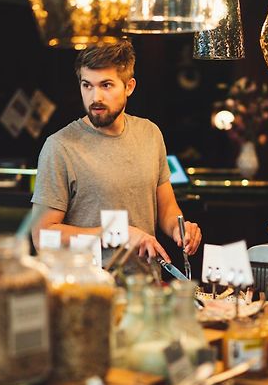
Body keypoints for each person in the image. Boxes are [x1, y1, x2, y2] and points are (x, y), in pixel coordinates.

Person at [31, 40, 201, 264]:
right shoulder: (60, 146)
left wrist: (180, 228)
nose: (95, 98)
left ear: (129, 86)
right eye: (87, 85)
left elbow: (167, 207)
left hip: (144, 286)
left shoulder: (150, 133)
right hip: (88, 290)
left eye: (106, 85)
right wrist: (118, 234)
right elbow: (42, 236)